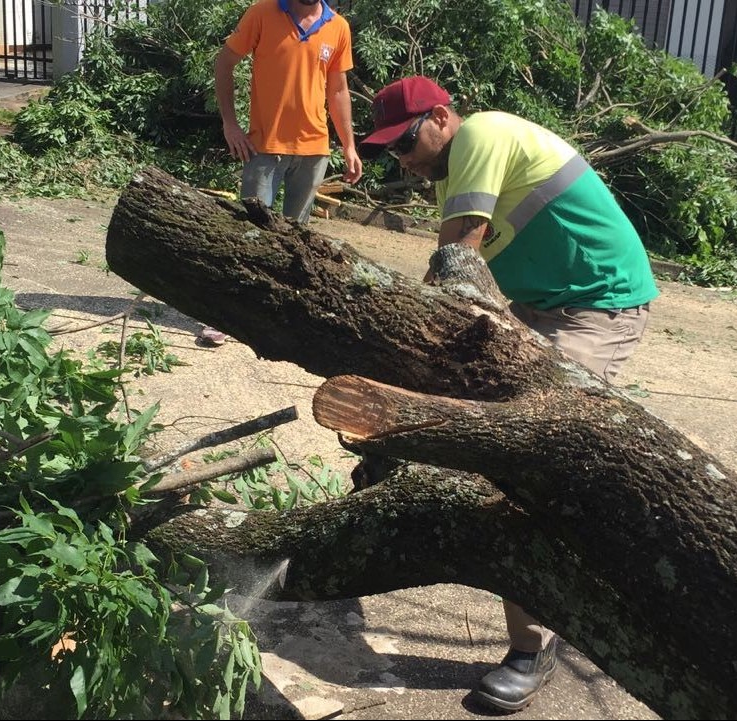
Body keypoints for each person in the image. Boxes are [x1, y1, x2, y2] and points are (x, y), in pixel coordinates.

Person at [359, 76, 659, 712]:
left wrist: (409, 354)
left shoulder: (483, 133)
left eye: (407, 142)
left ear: (442, 117)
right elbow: (453, 277)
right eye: (390, 152)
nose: (403, 160)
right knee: (464, 394)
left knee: (522, 460)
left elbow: (457, 258)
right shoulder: (452, 169)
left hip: (597, 306)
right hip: (541, 303)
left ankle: (532, 645)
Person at [214, 0, 362, 225]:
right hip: (264, 147)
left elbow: (338, 91)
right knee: (253, 233)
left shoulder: (338, 26)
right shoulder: (261, 13)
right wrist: (230, 124)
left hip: (313, 151)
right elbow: (224, 63)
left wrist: (349, 146)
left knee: (296, 239)